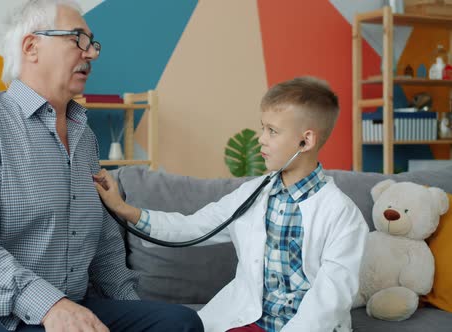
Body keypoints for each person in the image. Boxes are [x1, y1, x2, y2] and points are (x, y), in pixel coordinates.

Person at [0, 1, 203, 331]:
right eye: (78, 39)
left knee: (180, 323)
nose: (92, 54)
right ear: (32, 47)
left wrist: (133, 313)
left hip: (71, 306)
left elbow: (104, 247)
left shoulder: (84, 136)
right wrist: (51, 306)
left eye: (92, 43)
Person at [94, 77, 369, 332]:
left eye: (272, 131)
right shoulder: (251, 195)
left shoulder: (342, 214)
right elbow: (192, 227)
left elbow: (329, 299)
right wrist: (124, 209)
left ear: (306, 140)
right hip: (250, 321)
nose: (261, 138)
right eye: (263, 128)